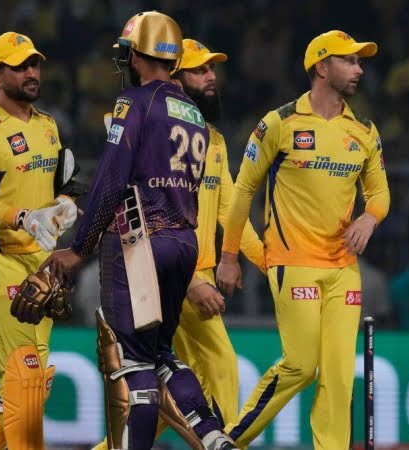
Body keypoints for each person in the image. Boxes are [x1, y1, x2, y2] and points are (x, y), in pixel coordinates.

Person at [46, 11, 237, 450]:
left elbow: (112, 178)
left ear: (135, 55)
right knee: (162, 355)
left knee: (131, 362)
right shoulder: (194, 113)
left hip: (139, 241)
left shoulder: (134, 101)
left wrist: (78, 249)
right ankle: (212, 436)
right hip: (183, 244)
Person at [216, 30, 390, 449]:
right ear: (322, 67)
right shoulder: (279, 123)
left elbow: (380, 193)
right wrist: (229, 256)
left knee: (338, 377)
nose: (359, 69)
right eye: (349, 61)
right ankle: (227, 441)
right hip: (293, 263)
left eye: (360, 62)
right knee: (301, 364)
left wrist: (370, 216)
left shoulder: (364, 131)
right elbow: (243, 190)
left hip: (343, 269)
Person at [0, 31, 80, 450]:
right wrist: (24, 217)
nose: (31, 73)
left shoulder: (47, 124)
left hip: (43, 265)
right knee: (24, 378)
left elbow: (62, 184)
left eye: (34, 64)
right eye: (19, 66)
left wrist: (65, 205)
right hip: (0, 259)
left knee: (28, 385)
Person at [171, 39, 266, 428]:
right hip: (172, 272)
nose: (211, 77)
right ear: (175, 81)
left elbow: (230, 211)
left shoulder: (215, 140)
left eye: (211, 69)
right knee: (223, 364)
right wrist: (191, 279)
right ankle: (227, 442)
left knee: (176, 398)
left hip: (201, 272)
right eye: (199, 70)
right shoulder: (163, 135)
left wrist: (269, 263)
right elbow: (152, 216)